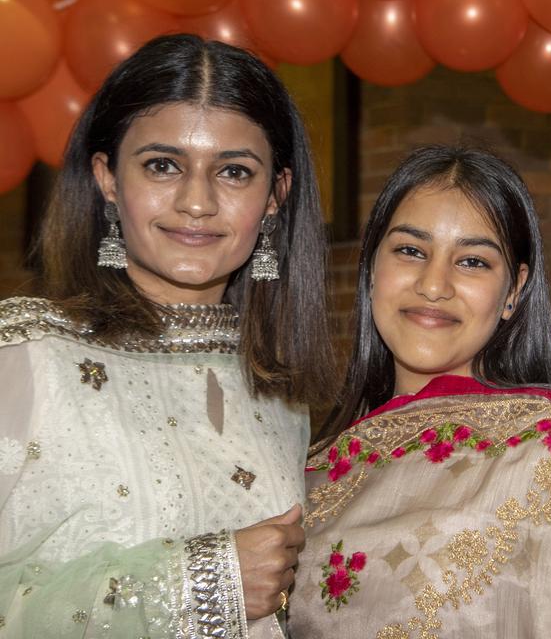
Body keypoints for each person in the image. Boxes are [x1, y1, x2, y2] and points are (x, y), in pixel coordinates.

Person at [0, 34, 339, 638]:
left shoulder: (279, 387)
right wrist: (198, 582)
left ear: (275, 197)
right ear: (107, 177)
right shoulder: (27, 357)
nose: (197, 202)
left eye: (234, 172)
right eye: (163, 165)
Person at [290, 146, 551, 638]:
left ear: (514, 290)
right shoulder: (314, 469)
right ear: (371, 268)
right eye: (410, 250)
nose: (434, 285)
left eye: (472, 261)